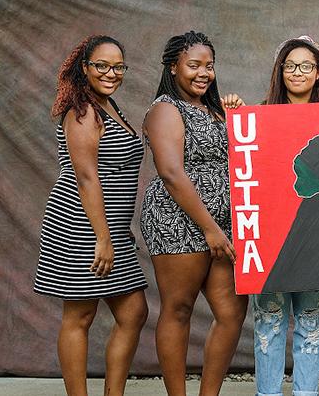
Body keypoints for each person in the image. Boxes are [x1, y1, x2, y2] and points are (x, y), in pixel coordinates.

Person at [34, 35, 148, 396]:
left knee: (133, 312)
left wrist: (114, 233)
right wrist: (103, 237)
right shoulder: (82, 111)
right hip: (80, 225)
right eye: (101, 65)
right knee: (80, 315)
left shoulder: (108, 105)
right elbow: (86, 178)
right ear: (84, 68)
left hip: (110, 228)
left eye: (118, 66)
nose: (111, 73)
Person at [140, 31, 248, 396]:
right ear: (173, 67)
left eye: (209, 65)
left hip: (223, 223)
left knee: (232, 312)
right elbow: (171, 172)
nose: (204, 73)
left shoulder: (213, 109)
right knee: (179, 308)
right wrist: (210, 229)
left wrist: (236, 118)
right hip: (178, 220)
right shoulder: (165, 109)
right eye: (194, 65)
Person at [249, 35, 319, 396]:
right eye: (291, 65)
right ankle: (267, 392)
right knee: (268, 323)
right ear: (280, 70)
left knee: (311, 324)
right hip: (270, 234)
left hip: (314, 233)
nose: (298, 72)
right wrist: (234, 114)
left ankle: (305, 393)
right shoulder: (257, 116)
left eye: (306, 66)